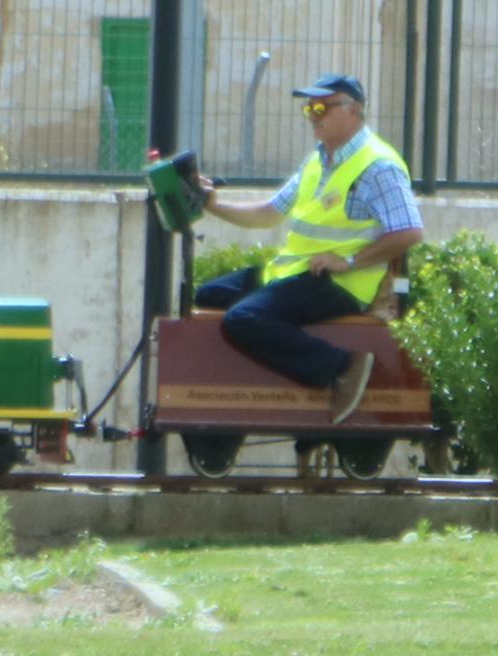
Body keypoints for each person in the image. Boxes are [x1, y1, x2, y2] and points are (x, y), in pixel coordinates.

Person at [179, 74, 423, 423]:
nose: (313, 114)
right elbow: (269, 213)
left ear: (354, 110)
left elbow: (410, 232)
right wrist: (212, 205)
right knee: (210, 295)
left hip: (340, 284)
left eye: (322, 106)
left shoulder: (378, 166)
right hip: (298, 274)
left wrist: (350, 261)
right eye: (308, 107)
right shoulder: (318, 160)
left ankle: (344, 367)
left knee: (244, 318)